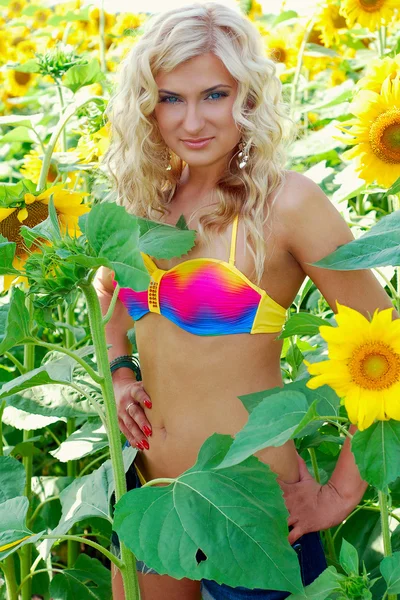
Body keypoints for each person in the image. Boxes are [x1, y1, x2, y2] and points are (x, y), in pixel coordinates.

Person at [94, 3, 396, 599]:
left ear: (249, 97)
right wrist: (122, 372)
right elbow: (111, 296)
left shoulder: (286, 205)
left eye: (214, 94)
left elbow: (387, 344)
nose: (192, 120)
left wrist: (338, 494)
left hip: (254, 512)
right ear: (146, 104)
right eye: (171, 97)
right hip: (152, 498)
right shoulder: (143, 202)